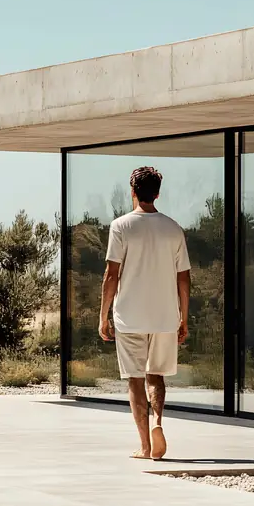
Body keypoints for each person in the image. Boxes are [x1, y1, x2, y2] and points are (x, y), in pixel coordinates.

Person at [98, 165, 191, 460]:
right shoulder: (173, 228)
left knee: (135, 379)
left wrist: (103, 316)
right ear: (158, 193)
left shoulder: (121, 226)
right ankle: (159, 422)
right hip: (165, 315)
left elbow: (111, 275)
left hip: (130, 316)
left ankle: (145, 445)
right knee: (156, 375)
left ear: (133, 191)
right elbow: (184, 277)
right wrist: (183, 317)